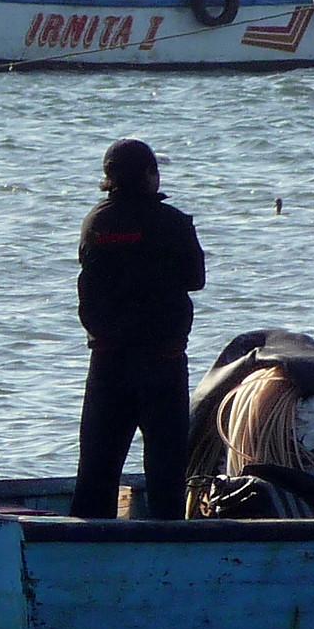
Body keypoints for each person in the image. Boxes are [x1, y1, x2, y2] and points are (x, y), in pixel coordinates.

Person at [69, 138, 206, 520]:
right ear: (149, 175)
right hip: (162, 363)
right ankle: (168, 547)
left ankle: (83, 550)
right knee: (167, 471)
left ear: (108, 178)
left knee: (96, 468)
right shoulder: (173, 222)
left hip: (109, 362)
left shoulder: (96, 223)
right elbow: (195, 279)